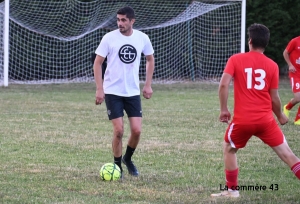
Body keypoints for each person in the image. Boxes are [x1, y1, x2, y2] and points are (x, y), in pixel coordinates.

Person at [211, 23, 300, 198]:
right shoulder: (272, 65)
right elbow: (274, 98)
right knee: (288, 155)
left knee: (229, 148)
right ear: (265, 43)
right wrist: (280, 115)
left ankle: (232, 191)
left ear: (250, 41)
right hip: (266, 121)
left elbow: (223, 85)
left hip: (243, 120)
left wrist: (223, 110)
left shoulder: (236, 59)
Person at [93, 6, 155, 177]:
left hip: (132, 91)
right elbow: (97, 63)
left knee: (136, 130)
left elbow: (150, 59)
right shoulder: (109, 38)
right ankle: (117, 165)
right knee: (119, 130)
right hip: (112, 91)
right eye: (118, 20)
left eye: (123, 20)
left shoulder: (142, 38)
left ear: (132, 21)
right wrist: (100, 89)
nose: (120, 23)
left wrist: (148, 84)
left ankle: (128, 158)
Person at [282, 36, 300, 125]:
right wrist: (290, 65)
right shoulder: (295, 41)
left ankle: (298, 119)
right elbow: (285, 53)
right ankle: (287, 107)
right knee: (298, 97)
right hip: (295, 73)